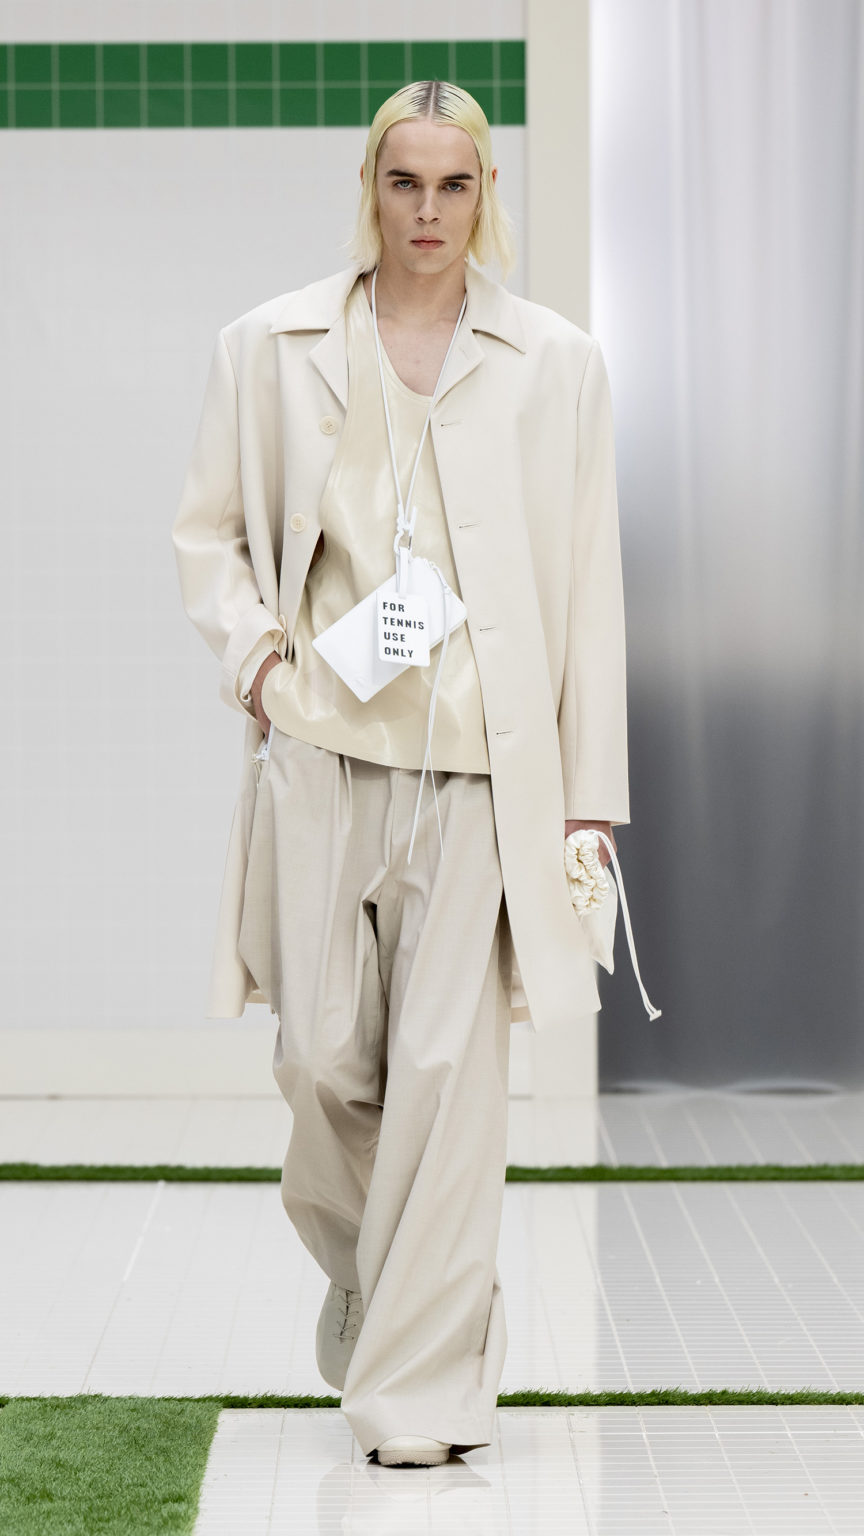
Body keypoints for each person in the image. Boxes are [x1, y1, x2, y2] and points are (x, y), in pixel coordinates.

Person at [171, 78, 629, 1468]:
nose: (429, 211)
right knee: (319, 1064)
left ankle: (418, 1396)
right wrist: (258, 665)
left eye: (455, 184)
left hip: (484, 777)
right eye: (404, 182)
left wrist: (591, 801)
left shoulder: (557, 363)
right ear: (369, 189)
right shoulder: (271, 346)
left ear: (487, 196)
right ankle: (395, 1289)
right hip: (321, 751)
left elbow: (591, 585)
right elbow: (208, 536)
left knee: (446, 1079)